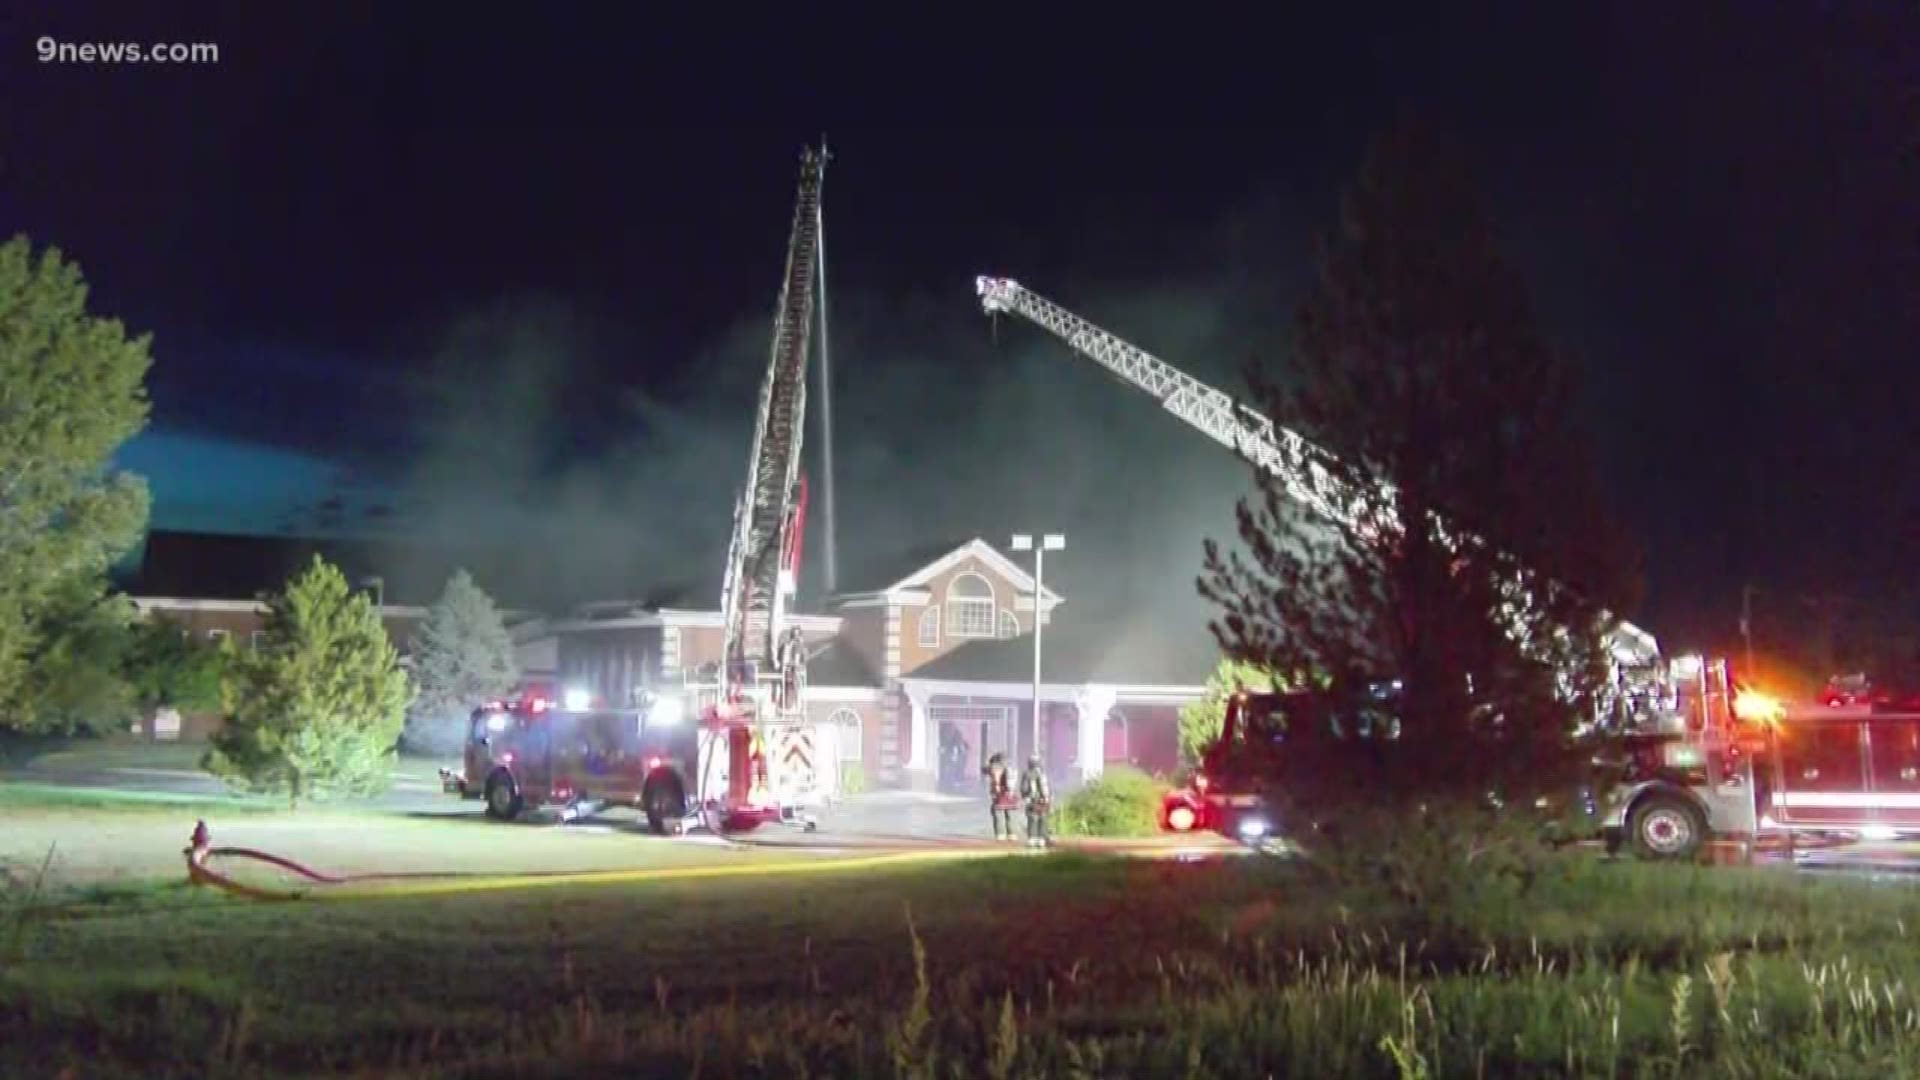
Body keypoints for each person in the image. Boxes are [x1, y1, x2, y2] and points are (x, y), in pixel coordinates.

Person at [1020, 752, 1052, 848]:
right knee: (1043, 817)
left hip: (1032, 799)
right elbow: (1046, 788)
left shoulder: (1027, 773)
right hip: (1044, 800)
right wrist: (1047, 798)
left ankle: (1032, 839)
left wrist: (1025, 796)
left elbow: (1024, 787)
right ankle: (1042, 838)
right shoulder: (1042, 773)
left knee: (1032, 818)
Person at [983, 752, 1018, 841]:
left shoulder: (995, 768)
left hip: (1000, 793)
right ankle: (1012, 834)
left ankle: (1001, 834)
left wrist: (996, 790)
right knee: (1010, 815)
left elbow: (990, 774)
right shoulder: (1010, 768)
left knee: (998, 814)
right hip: (1011, 794)